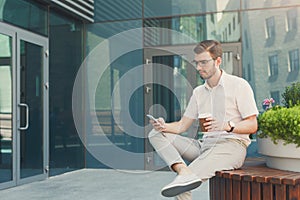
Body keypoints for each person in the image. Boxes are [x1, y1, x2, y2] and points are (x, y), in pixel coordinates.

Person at [148, 40, 258, 200]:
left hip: (232, 145)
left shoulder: (238, 85)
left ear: (218, 61)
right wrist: (163, 126)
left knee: (181, 185)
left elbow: (253, 124)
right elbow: (182, 126)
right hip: (204, 146)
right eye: (197, 63)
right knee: (155, 134)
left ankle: (185, 176)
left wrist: (227, 125)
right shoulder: (199, 92)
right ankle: (182, 170)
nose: (199, 67)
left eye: (204, 62)